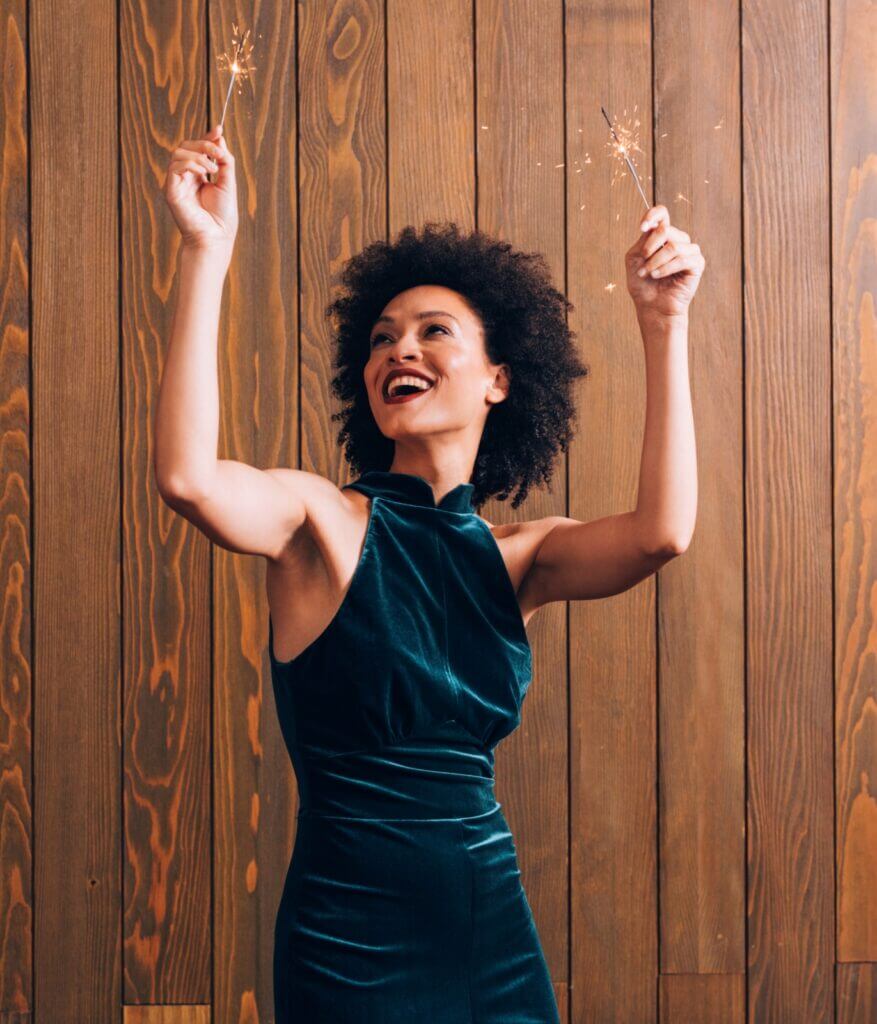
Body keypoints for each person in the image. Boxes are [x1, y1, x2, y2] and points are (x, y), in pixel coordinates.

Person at [157, 124, 704, 1022]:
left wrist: (664, 320)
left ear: (497, 378)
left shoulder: (519, 558)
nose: (396, 350)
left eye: (431, 331)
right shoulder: (316, 523)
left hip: (489, 930)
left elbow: (660, 534)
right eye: (379, 338)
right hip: (345, 941)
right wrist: (205, 250)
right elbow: (187, 479)